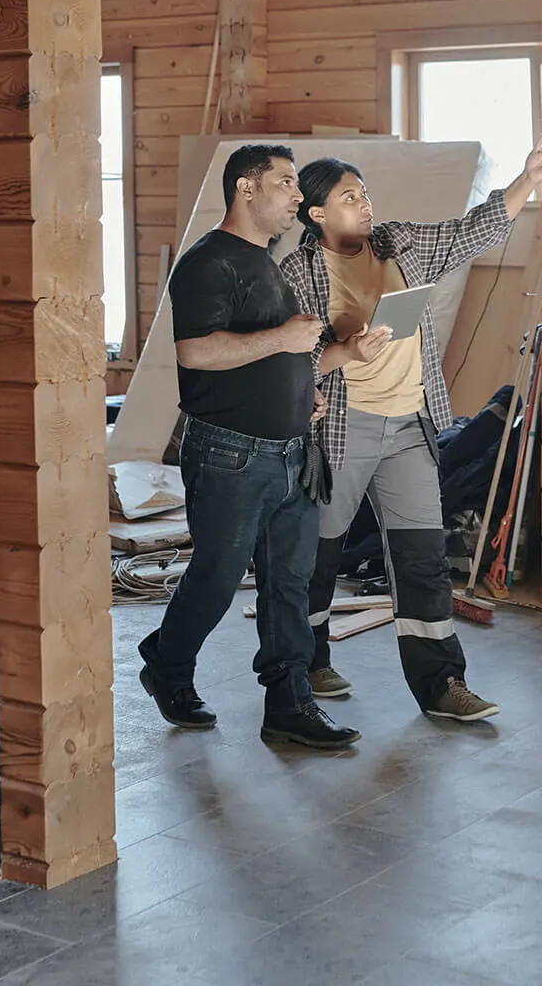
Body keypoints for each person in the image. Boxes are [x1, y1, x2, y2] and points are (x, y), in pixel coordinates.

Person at [280, 132, 542, 722]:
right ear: (316, 214)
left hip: (409, 425)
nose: (364, 204)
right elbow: (290, 360)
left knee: (421, 558)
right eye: (348, 198)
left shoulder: (400, 244)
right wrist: (347, 349)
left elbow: (473, 231)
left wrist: (529, 179)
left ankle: (442, 683)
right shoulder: (298, 272)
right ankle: (306, 662)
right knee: (318, 554)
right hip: (342, 428)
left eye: (365, 193)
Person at [136, 144, 359, 750]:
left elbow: (272, 355)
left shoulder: (266, 262)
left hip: (292, 451)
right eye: (286, 183)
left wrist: (304, 392)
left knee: (289, 584)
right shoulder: (208, 263)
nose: (297, 196)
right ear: (246, 188)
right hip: (230, 454)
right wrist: (285, 339)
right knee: (217, 576)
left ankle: (289, 704)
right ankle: (168, 665)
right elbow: (197, 352)